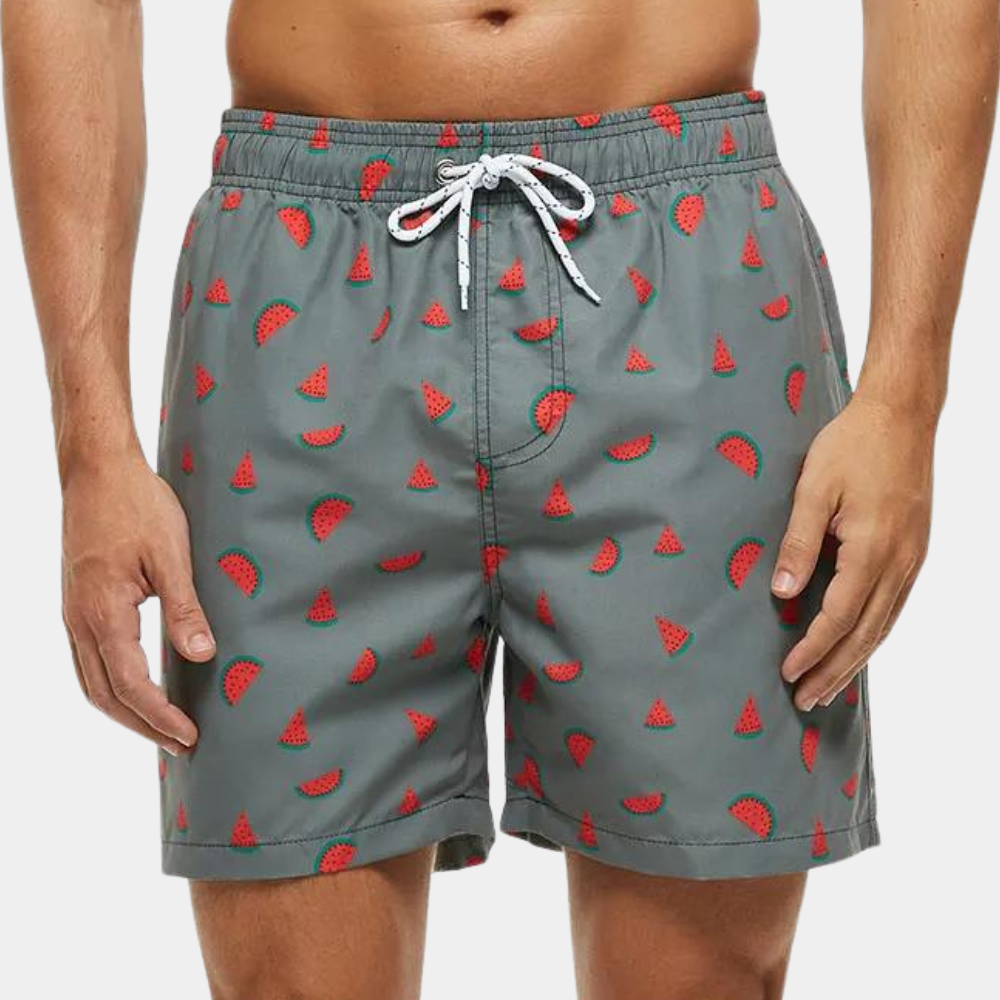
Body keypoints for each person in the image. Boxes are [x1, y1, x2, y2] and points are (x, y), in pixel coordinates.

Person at [4, 1, 997, 998]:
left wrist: (905, 400)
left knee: (707, 981)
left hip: (686, 271)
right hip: (302, 290)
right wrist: (92, 453)